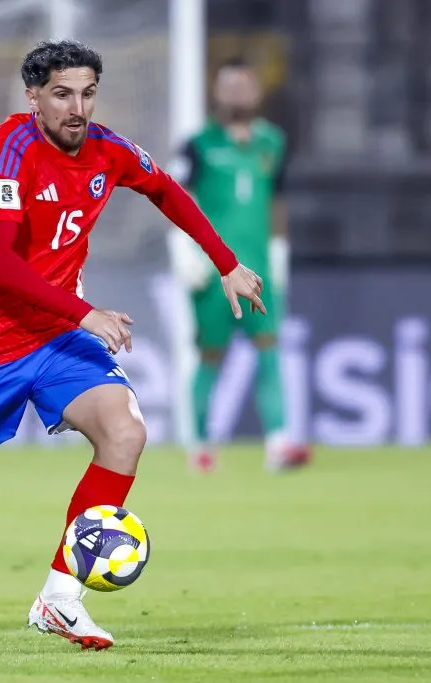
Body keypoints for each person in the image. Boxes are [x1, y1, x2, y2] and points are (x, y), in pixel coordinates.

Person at [0, 39, 265, 650]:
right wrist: (86, 313)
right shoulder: (9, 149)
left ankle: (60, 597)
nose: (77, 108)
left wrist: (227, 263)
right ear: (33, 95)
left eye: (87, 94)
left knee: (125, 433)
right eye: (61, 94)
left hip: (57, 338)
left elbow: (165, 189)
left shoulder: (108, 148)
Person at [167, 56, 311, 473]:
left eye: (244, 86)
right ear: (216, 92)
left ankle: (279, 444)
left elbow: (277, 202)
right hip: (214, 273)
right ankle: (200, 447)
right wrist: (184, 252)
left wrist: (279, 254)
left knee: (269, 350)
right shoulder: (198, 145)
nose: (237, 94)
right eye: (229, 87)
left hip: (260, 268)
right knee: (210, 356)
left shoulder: (273, 143)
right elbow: (177, 198)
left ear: (257, 92)